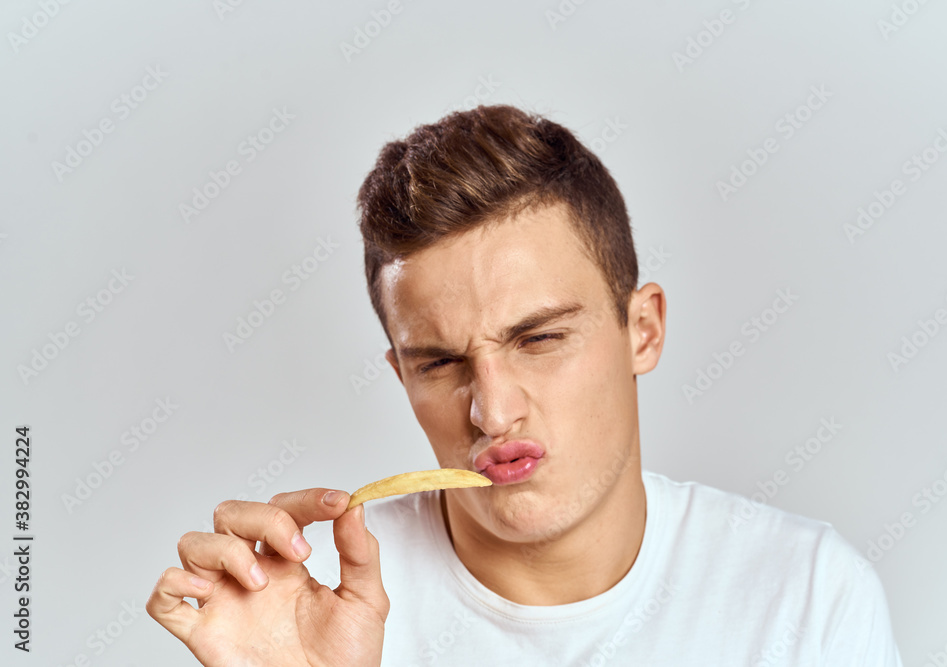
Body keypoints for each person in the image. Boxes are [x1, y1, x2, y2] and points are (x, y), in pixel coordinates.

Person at [147, 105, 903, 666]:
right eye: (439, 364)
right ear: (401, 374)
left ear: (642, 329)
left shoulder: (805, 594)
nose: (493, 410)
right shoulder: (306, 610)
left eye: (539, 339)